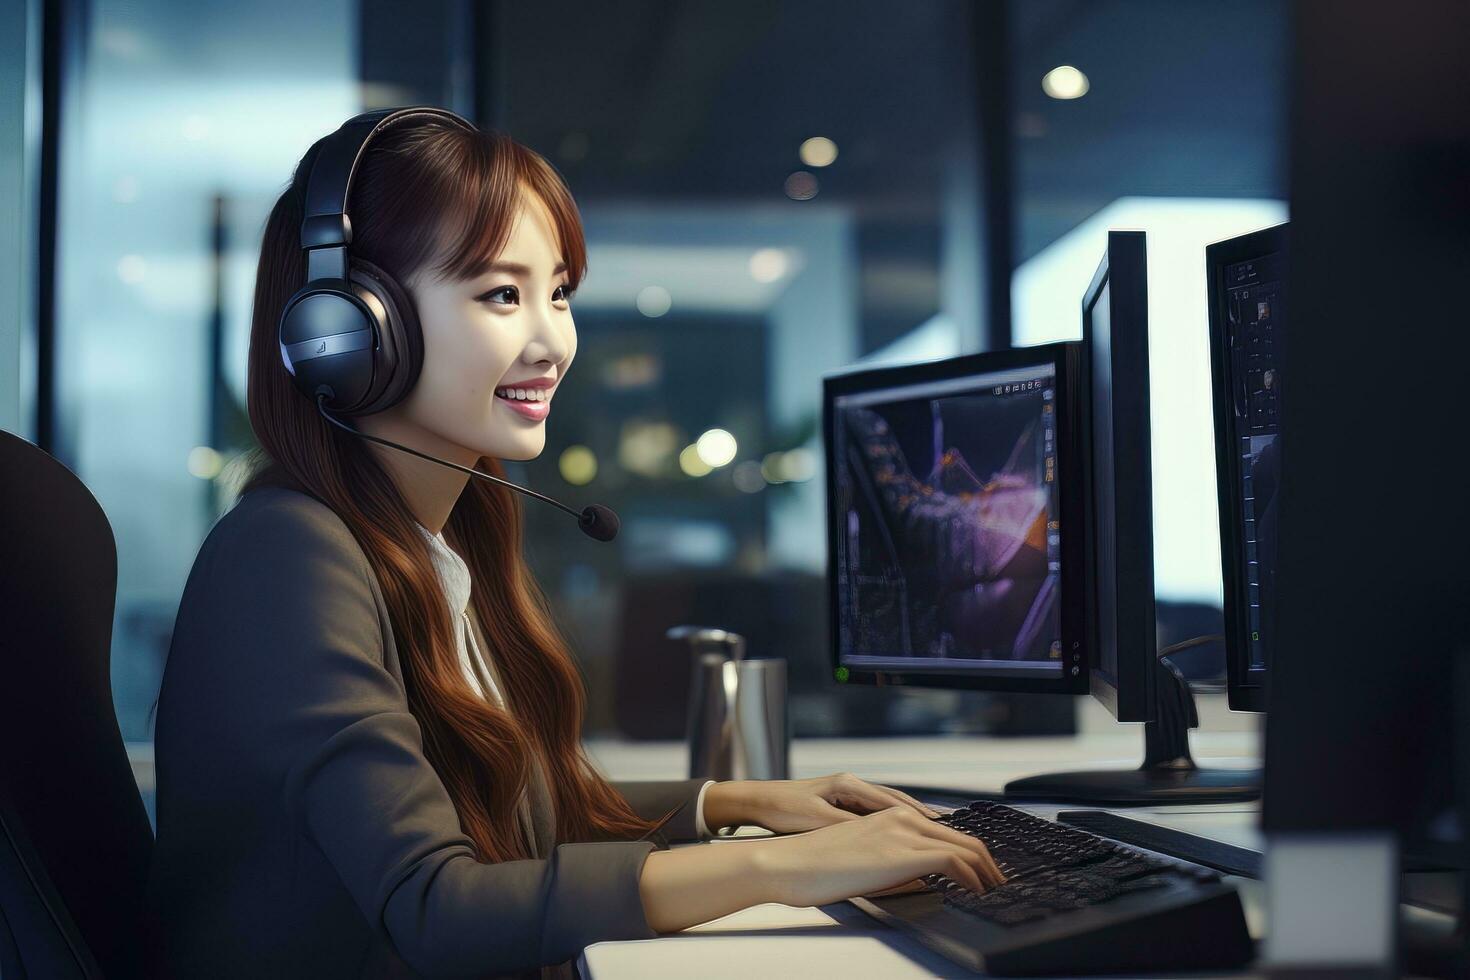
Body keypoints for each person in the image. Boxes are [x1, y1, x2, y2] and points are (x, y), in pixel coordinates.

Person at [143, 110, 1002, 980]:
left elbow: (515, 812)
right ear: (348, 332)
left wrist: (734, 803)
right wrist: (778, 868)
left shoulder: (432, 547)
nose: (554, 342)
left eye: (558, 293)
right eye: (500, 294)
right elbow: (436, 908)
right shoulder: (289, 556)